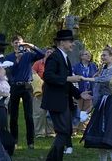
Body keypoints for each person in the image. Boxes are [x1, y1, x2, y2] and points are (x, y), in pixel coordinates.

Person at [43, 29, 82, 161]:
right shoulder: (54, 56)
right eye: (70, 41)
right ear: (61, 42)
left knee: (64, 131)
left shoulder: (65, 58)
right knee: (63, 132)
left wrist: (80, 94)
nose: (73, 44)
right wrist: (68, 78)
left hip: (63, 101)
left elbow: (68, 83)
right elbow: (48, 76)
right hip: (56, 101)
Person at [5, 36, 43, 151]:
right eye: (16, 43)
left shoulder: (28, 54)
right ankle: (14, 141)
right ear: (12, 44)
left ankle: (30, 142)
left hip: (27, 87)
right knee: (14, 117)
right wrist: (16, 60)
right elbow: (9, 72)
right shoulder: (9, 57)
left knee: (29, 116)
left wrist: (31, 46)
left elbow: (42, 55)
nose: (18, 45)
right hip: (15, 87)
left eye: (20, 43)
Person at [73, 49, 98, 127]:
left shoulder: (93, 66)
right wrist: (78, 92)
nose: (89, 56)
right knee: (77, 109)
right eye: (86, 54)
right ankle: (74, 128)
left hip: (90, 92)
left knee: (87, 110)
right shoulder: (75, 66)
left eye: (89, 54)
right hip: (79, 92)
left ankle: (83, 128)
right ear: (81, 57)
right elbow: (73, 80)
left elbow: (97, 77)